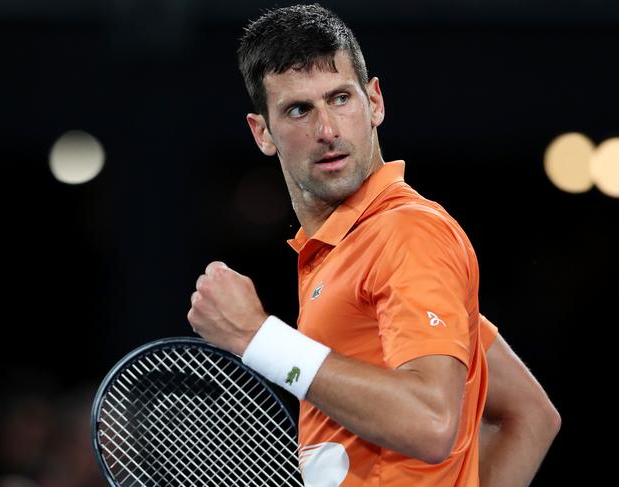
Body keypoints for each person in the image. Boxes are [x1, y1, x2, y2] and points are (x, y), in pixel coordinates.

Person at [188, 4, 560, 486]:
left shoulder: (405, 233)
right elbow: (530, 415)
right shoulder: (342, 252)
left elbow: (431, 423)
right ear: (263, 133)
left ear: (375, 102)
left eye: (340, 98)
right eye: (299, 109)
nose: (327, 130)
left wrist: (258, 338)